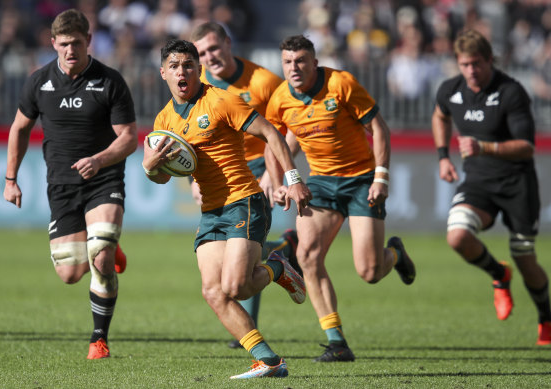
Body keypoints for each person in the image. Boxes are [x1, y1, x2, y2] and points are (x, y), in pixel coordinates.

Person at [142, 39, 312, 379]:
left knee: (235, 287)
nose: (182, 72)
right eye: (174, 66)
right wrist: (151, 167)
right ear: (163, 73)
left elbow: (272, 135)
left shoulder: (221, 100)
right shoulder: (164, 120)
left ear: (198, 69)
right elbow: (162, 179)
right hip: (211, 212)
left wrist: (292, 179)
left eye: (188, 65)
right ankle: (269, 361)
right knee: (213, 292)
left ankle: (278, 268)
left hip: (244, 202)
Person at [265, 35, 416, 362]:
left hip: (362, 181)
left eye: (301, 60)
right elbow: (274, 143)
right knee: (307, 257)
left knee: (370, 272)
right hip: (320, 183)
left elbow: (379, 128)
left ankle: (395, 253)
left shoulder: (341, 84)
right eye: (288, 62)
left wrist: (381, 177)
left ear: (315, 62)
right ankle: (336, 341)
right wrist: (279, 182)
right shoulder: (280, 99)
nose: (295, 67)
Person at [3, 9, 138, 359]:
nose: (69, 50)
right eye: (63, 44)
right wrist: (10, 180)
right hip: (62, 186)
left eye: (76, 43)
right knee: (70, 273)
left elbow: (128, 138)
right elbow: (19, 128)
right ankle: (105, 244)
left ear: (88, 41)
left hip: (104, 178)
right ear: (53, 44)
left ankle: (98, 339)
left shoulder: (110, 81)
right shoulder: (39, 81)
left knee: (101, 253)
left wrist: (99, 160)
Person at [431, 29, 551, 345]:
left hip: (517, 183)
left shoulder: (511, 92)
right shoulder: (450, 90)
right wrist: (443, 156)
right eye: (464, 64)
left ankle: (546, 318)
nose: (471, 70)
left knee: (525, 257)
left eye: (476, 64)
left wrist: (486, 147)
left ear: (490, 61)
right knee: (457, 236)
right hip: (479, 182)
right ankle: (499, 274)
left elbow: (526, 146)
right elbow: (439, 116)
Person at [190, 21, 300, 349]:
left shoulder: (263, 81)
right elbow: (191, 138)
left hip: (257, 168)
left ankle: (247, 333)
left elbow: (291, 125)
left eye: (214, 48)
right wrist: (193, 177)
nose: (210, 57)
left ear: (227, 41)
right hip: (219, 174)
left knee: (242, 254)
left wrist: (274, 171)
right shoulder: (197, 86)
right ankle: (283, 251)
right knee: (234, 255)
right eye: (202, 53)